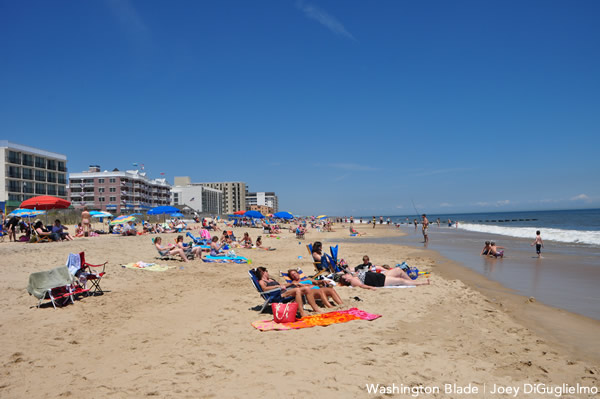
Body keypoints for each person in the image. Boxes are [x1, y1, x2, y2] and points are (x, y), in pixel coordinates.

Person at [255, 267, 323, 318]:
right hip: (276, 295)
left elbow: (283, 285)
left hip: (284, 291)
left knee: (306, 288)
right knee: (297, 290)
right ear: (263, 272)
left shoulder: (271, 279)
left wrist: (292, 284)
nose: (268, 273)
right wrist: (277, 286)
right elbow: (264, 289)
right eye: (266, 271)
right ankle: (302, 313)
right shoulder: (262, 281)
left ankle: (315, 309)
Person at [336, 268, 430, 289]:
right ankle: (422, 283)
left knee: (398, 270)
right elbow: (362, 285)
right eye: (346, 276)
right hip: (381, 281)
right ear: (347, 280)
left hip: (381, 275)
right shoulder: (353, 280)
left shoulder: (353, 276)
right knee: (401, 281)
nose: (347, 274)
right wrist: (371, 288)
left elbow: (346, 270)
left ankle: (412, 281)